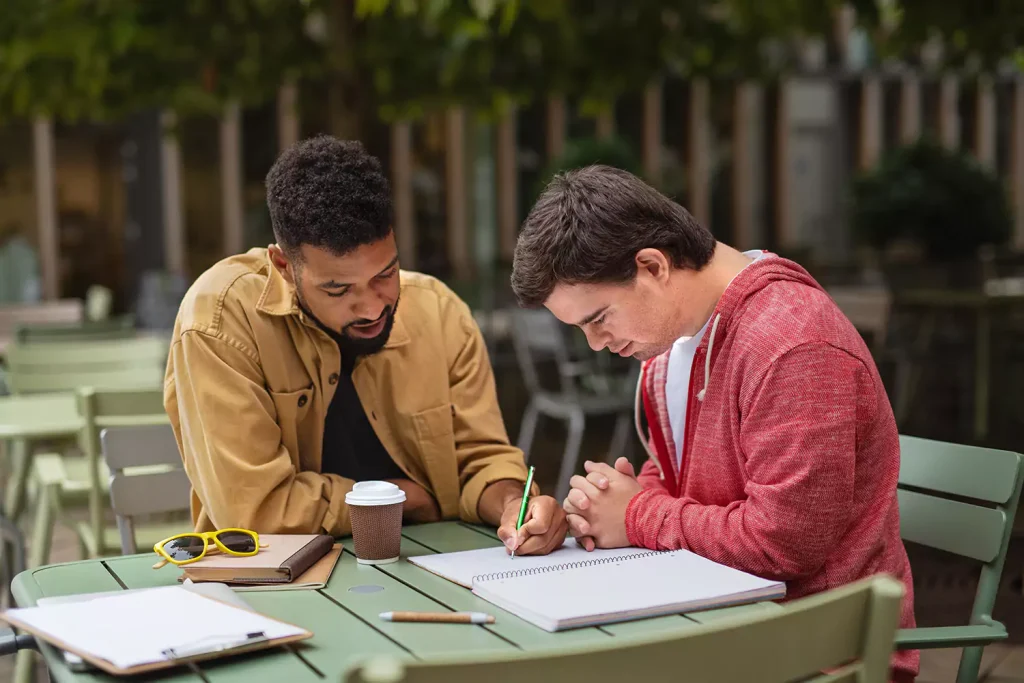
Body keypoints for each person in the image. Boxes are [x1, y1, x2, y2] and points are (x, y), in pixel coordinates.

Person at [509, 165, 917, 681]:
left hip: (818, 653)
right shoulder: (677, 342)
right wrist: (612, 505)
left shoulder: (795, 345)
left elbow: (784, 545)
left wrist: (637, 515)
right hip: (722, 625)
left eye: (599, 318)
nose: (595, 344)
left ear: (652, 266)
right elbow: (681, 474)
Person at [164, 136, 566, 556]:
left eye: (385, 274)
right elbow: (254, 511)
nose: (373, 307)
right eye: (338, 290)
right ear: (284, 266)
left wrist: (513, 503)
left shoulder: (440, 313)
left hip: (431, 566)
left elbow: (480, 460)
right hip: (271, 575)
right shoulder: (220, 320)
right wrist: (397, 499)